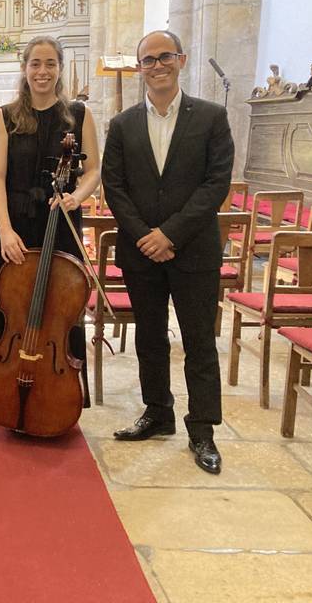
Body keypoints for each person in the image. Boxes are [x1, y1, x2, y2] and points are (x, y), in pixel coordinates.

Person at [102, 30, 233, 475]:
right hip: (141, 252)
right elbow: (114, 187)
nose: (156, 66)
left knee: (199, 342)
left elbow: (216, 185)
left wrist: (170, 235)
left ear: (182, 59)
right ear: (139, 67)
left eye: (164, 57)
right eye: (148, 60)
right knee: (150, 338)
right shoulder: (122, 125)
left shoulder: (212, 117)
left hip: (194, 250)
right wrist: (145, 236)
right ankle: (158, 412)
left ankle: (203, 429)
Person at [0, 35, 101, 402]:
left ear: (60, 68)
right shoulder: (5, 117)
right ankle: (7, 384)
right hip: (17, 224)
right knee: (14, 306)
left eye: (50, 63)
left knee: (62, 308)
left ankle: (62, 389)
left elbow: (94, 170)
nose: (42, 71)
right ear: (24, 68)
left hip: (62, 219)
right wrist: (4, 230)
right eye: (35, 63)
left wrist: (76, 197)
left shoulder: (78, 114)